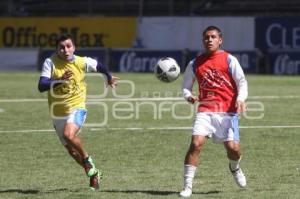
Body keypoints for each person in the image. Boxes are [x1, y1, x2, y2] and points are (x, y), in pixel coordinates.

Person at [38, 34, 118, 190]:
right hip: (57, 113)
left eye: (68, 46)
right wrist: (60, 79)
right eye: (61, 47)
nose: (65, 50)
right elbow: (41, 85)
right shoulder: (51, 62)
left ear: (74, 47)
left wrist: (108, 76)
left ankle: (88, 161)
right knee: (73, 153)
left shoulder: (82, 62)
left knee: (69, 135)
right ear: (57, 49)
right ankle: (95, 174)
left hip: (77, 107)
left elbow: (99, 65)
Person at [179, 26, 248, 197]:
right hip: (205, 111)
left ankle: (235, 167)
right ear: (203, 41)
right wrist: (188, 96)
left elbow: (242, 82)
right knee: (196, 144)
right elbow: (185, 87)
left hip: (228, 112)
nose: (209, 40)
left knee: (234, 149)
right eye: (206, 37)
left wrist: (241, 99)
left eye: (213, 37)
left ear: (220, 40)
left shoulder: (229, 60)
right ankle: (187, 186)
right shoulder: (194, 64)